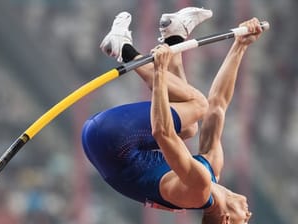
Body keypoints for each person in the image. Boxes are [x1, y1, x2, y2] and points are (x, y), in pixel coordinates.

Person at [82, 7, 264, 224]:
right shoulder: (211, 170)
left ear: (225, 220)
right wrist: (240, 46)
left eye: (244, 222)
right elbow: (218, 105)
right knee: (190, 126)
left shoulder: (198, 190)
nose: (249, 216)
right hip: (108, 146)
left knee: (197, 104)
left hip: (111, 141)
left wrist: (160, 72)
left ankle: (123, 48)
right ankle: (174, 36)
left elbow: (162, 133)